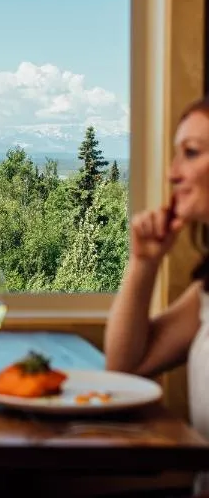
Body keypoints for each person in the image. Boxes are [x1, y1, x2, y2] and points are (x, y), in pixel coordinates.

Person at [105, 97, 209, 496]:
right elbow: (125, 366)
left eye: (191, 153)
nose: (172, 174)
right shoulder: (208, 293)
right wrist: (143, 264)